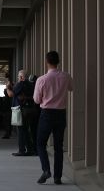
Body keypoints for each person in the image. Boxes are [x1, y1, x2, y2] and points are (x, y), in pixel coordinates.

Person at [33, 51, 73, 185]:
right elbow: (71, 89)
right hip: (61, 114)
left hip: (47, 114)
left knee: (40, 143)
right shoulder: (66, 76)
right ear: (58, 61)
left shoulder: (42, 79)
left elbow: (37, 100)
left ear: (47, 62)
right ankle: (57, 177)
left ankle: (46, 170)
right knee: (58, 147)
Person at [7, 70, 35, 156]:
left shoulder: (20, 84)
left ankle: (21, 150)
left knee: (21, 130)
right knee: (26, 130)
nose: (18, 78)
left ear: (22, 77)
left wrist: (8, 87)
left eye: (19, 76)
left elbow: (11, 94)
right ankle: (30, 149)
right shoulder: (31, 85)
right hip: (29, 109)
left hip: (21, 110)